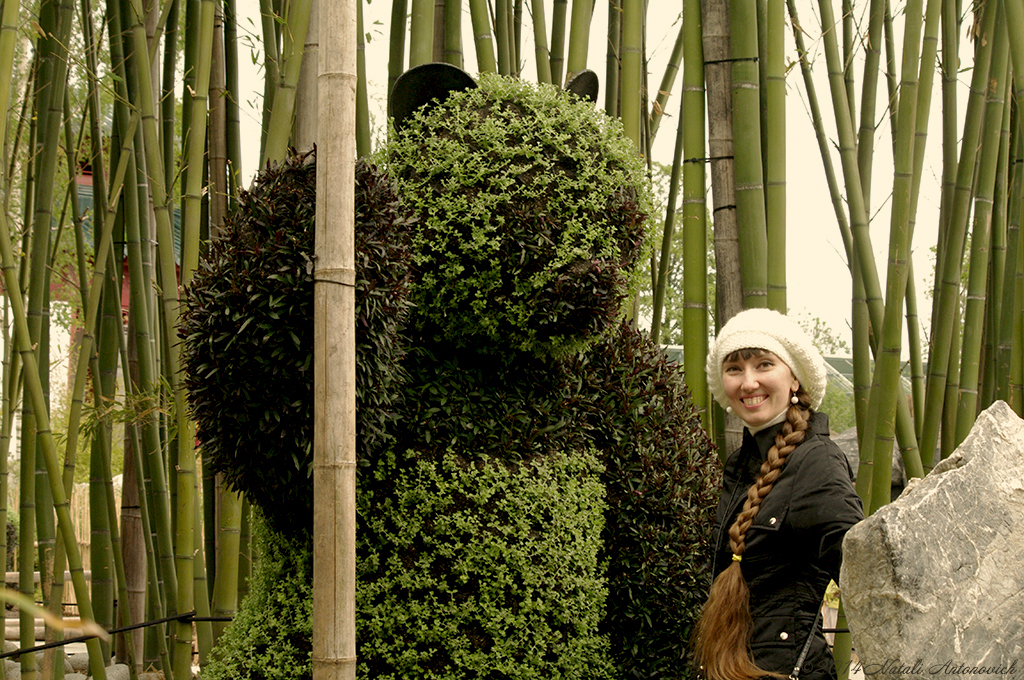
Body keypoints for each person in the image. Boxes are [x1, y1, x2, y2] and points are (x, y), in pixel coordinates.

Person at [693, 308, 864, 680]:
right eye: (735, 368)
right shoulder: (741, 463)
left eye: (764, 364)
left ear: (795, 380)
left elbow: (861, 569)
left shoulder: (816, 461)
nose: (748, 382)